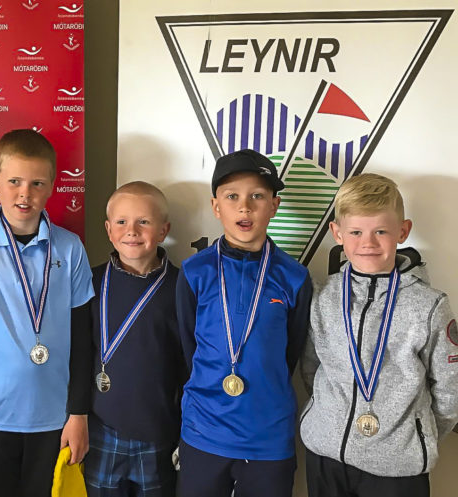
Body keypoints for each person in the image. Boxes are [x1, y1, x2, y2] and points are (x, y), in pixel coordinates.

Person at [0, 129, 94, 497]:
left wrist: (79, 413)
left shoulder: (70, 248)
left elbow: (83, 336)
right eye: (14, 182)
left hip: (54, 420)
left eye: (37, 183)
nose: (25, 193)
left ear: (52, 186)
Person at [300, 173, 458, 497]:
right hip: (326, 455)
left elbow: (449, 388)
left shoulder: (429, 305)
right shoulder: (323, 298)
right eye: (356, 232)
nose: (368, 243)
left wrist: (417, 435)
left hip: (398, 468)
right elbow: (312, 368)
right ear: (337, 233)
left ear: (403, 231)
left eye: (381, 232)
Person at [176, 149, 312, 497]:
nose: (245, 207)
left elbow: (289, 354)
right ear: (215, 206)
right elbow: (189, 349)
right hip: (204, 431)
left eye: (257, 196)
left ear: (274, 205)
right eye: (232, 196)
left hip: (268, 437)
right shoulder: (195, 272)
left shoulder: (294, 277)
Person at [85, 181, 184, 497]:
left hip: (158, 433)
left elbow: (190, 365)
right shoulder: (89, 282)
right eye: (121, 221)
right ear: (108, 229)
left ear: (163, 230)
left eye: (144, 221)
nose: (132, 231)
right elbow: (77, 356)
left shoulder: (182, 287)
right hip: (100, 430)